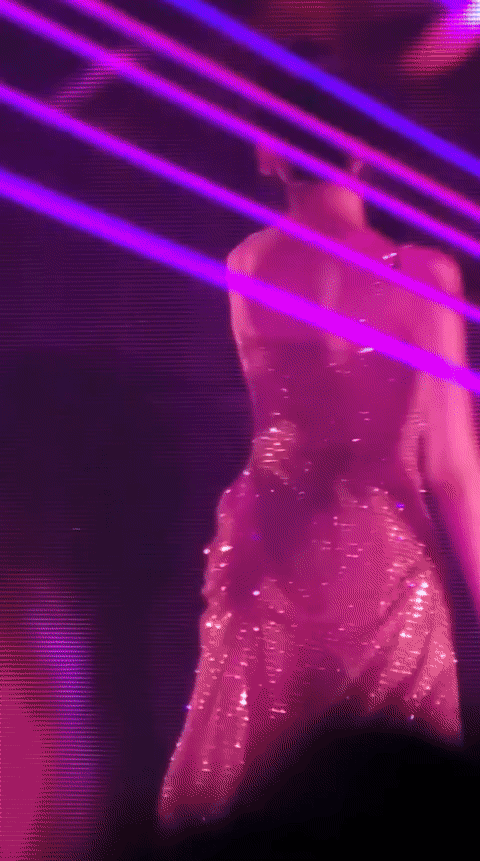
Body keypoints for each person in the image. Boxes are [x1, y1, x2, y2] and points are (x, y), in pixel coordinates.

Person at [157, 31, 476, 838]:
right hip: (384, 554)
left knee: (270, 796)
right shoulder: (425, 276)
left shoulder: (245, 264)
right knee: (393, 809)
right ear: (363, 150)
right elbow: (451, 465)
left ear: (267, 151)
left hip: (273, 542)